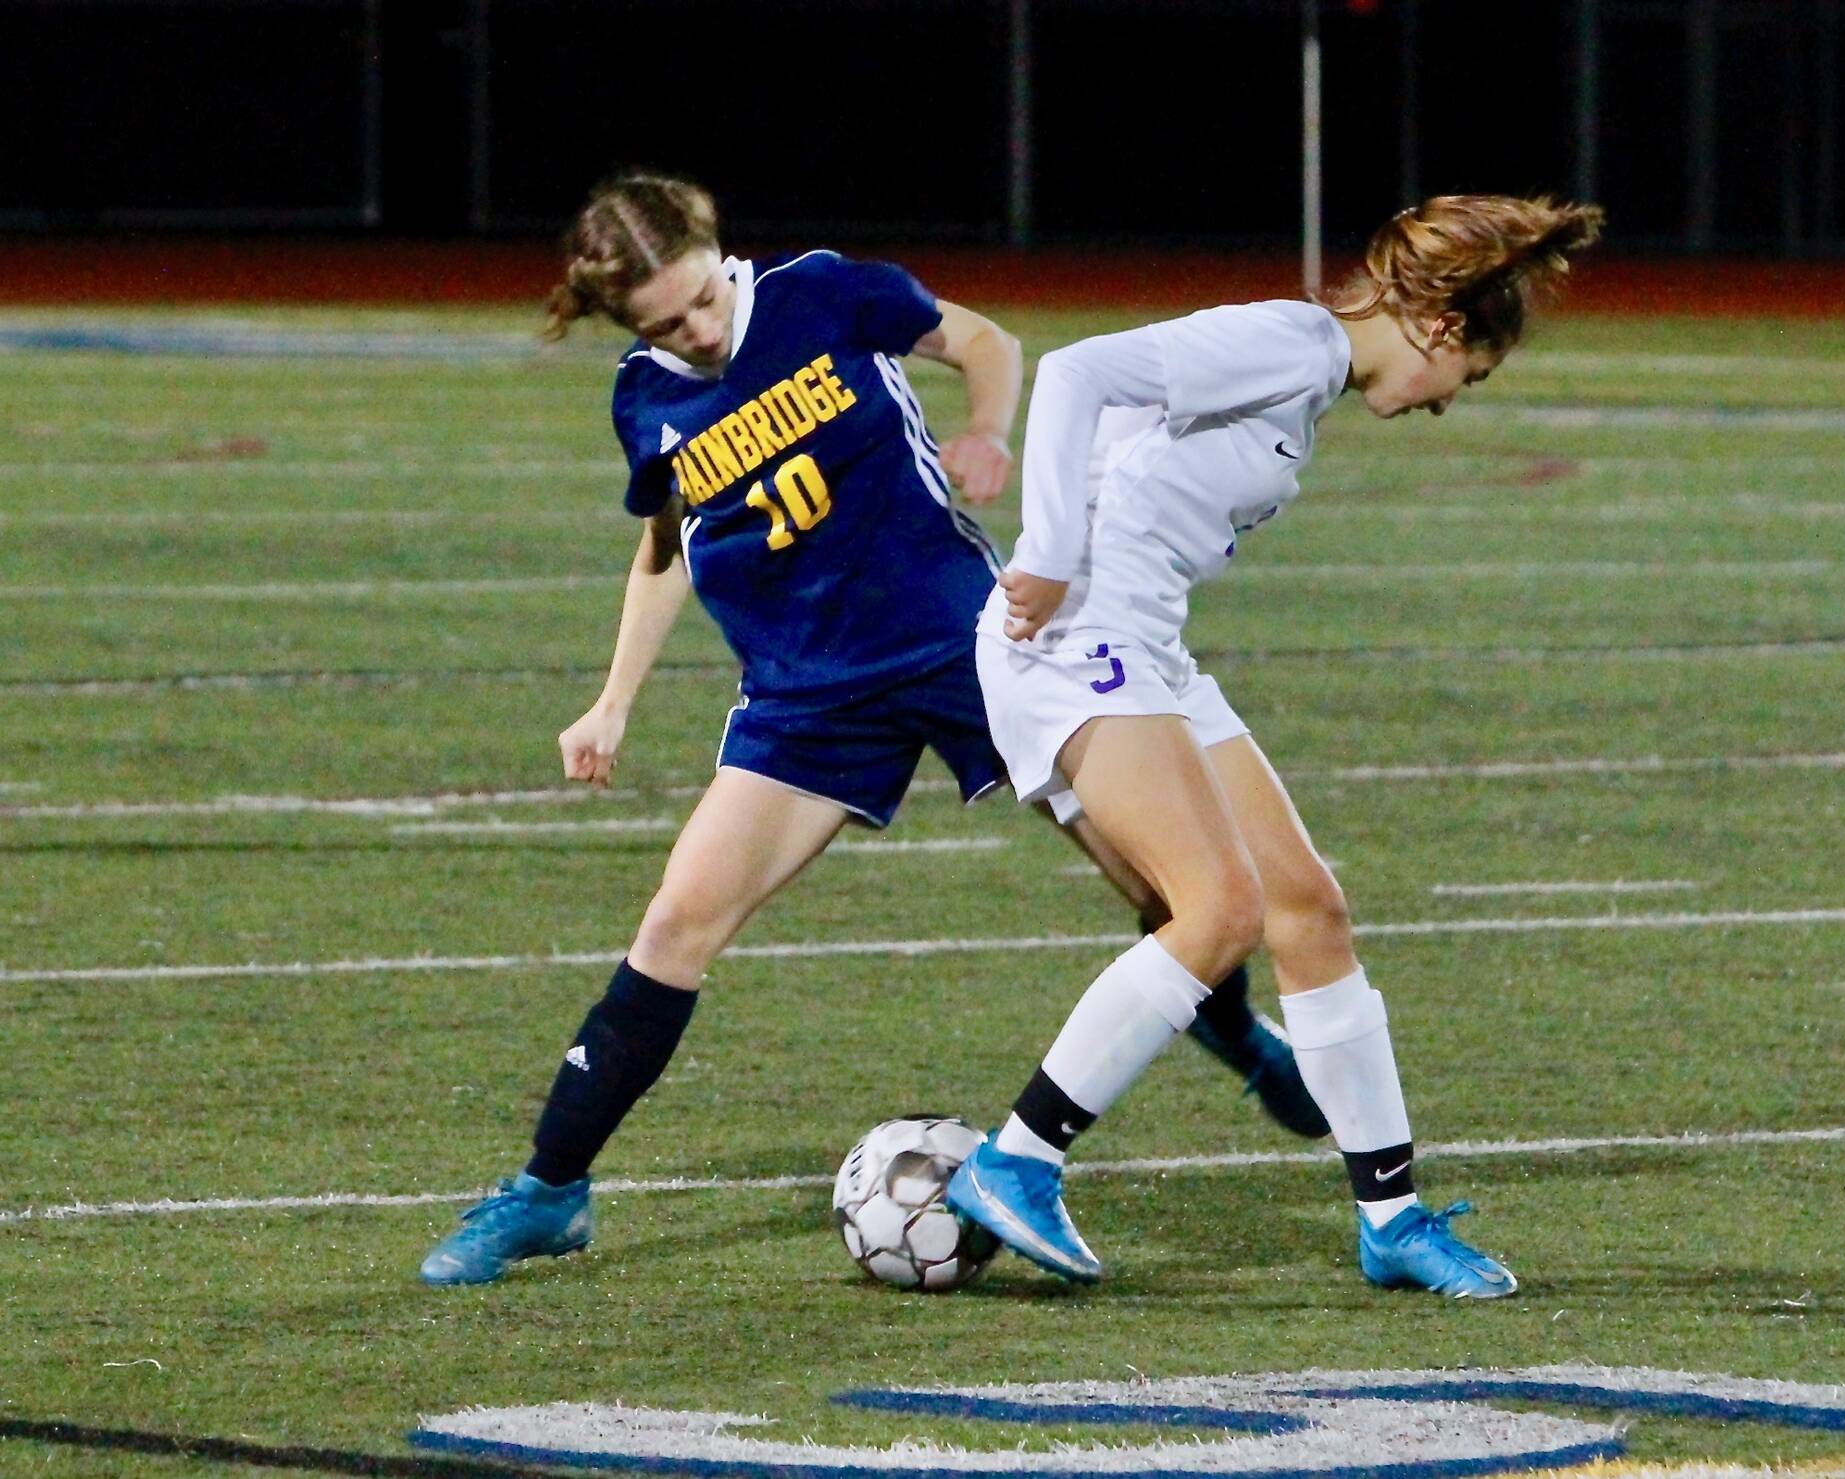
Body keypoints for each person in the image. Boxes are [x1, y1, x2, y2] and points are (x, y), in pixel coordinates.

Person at [419, 171, 1323, 1287]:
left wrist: (989, 434)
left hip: (965, 649)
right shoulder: (642, 397)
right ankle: (548, 1193)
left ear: (717, 249)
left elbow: (986, 341)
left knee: (1164, 888)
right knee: (674, 926)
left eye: (701, 299)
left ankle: (1229, 1030)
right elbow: (667, 543)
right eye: (664, 322)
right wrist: (611, 700)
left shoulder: (824, 295)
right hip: (805, 696)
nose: (696, 332)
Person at [945, 195, 1605, 1297]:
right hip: (1073, 637)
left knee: (1308, 906)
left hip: (1142, 646)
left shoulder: (1305, 382)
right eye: (1469, 377)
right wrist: (1052, 549)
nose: (1449, 405)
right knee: (1219, 910)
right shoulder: (1285, 342)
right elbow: (1071, 373)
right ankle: (1016, 1161)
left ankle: (1390, 1221)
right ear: (1440, 330)